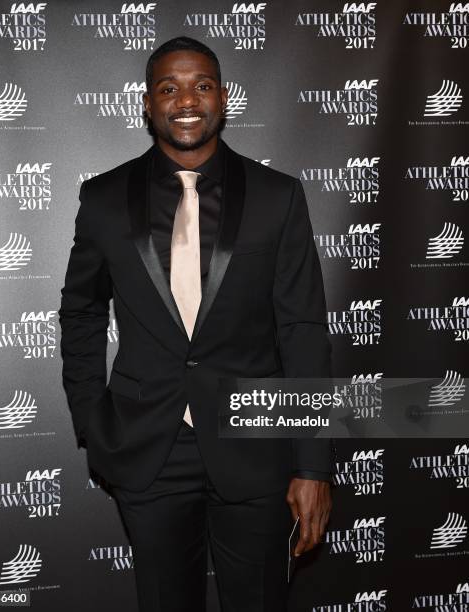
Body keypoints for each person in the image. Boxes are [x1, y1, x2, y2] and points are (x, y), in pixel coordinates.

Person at [59, 36, 336, 612]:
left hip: (256, 442)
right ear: (147, 103)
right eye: (169, 87)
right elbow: (81, 313)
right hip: (146, 449)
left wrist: (312, 463)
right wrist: (93, 419)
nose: (186, 99)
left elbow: (303, 329)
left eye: (201, 85)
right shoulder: (104, 198)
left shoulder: (278, 197)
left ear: (223, 97)